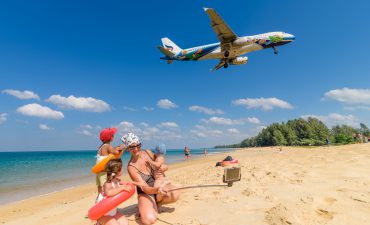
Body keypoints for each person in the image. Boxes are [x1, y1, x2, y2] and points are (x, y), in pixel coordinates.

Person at [122, 133, 180, 225]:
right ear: (128, 148)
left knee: (175, 193)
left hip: (158, 187)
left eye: (138, 145)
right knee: (149, 220)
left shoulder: (148, 152)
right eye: (132, 147)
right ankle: (147, 205)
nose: (136, 149)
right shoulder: (131, 167)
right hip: (146, 192)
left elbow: (160, 163)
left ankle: (157, 203)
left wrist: (165, 167)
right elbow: (144, 188)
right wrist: (157, 190)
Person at [95, 158, 131, 225]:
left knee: (125, 223)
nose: (123, 168)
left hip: (113, 212)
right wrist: (122, 188)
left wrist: (133, 184)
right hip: (103, 214)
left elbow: (126, 183)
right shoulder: (107, 183)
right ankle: (99, 222)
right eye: (122, 167)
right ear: (118, 170)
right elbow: (108, 193)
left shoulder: (117, 180)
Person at [96, 128, 126, 199]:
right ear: (111, 137)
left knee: (100, 189)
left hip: (99, 172)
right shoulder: (107, 146)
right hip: (104, 172)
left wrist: (117, 147)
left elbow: (112, 150)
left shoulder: (101, 147)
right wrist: (121, 147)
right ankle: (104, 205)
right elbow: (115, 152)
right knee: (106, 188)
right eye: (113, 135)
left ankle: (99, 200)